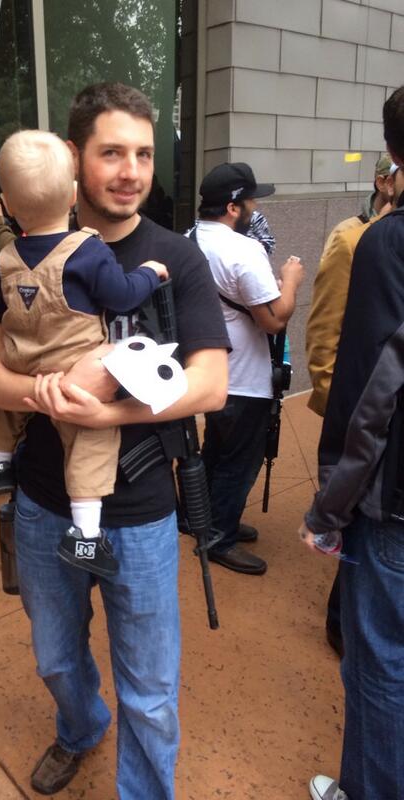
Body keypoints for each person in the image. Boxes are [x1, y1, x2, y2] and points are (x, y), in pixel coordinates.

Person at [0, 82, 230, 798]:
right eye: (112, 153)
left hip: (140, 511)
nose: (131, 171)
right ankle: (81, 727)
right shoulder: (24, 254)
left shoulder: (175, 256)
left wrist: (107, 416)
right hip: (43, 502)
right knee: (55, 658)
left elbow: (210, 385)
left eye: (143, 154)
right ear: (73, 157)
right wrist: (51, 393)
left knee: (150, 690)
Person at [0, 129, 169, 577]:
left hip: (20, 361)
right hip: (73, 370)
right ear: (72, 195)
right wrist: (150, 273)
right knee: (90, 440)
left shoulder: (5, 258)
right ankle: (86, 534)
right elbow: (122, 295)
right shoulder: (87, 250)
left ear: (7, 204)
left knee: (7, 407)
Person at [302, 87, 404, 800]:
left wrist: (328, 505)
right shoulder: (361, 237)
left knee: (379, 667)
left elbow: (372, 389)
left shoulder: (388, 244)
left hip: (393, 503)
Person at [189, 162, 305, 575]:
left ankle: (199, 520)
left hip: (206, 371)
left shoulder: (189, 239)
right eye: (252, 201)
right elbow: (273, 319)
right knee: (239, 460)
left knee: (214, 450)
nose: (256, 208)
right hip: (245, 377)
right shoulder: (243, 249)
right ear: (233, 207)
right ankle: (219, 537)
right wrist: (291, 280)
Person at [306, 161, 396, 658]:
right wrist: (333, 404)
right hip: (360, 408)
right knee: (357, 515)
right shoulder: (353, 237)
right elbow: (324, 331)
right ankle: (341, 624)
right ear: (385, 179)